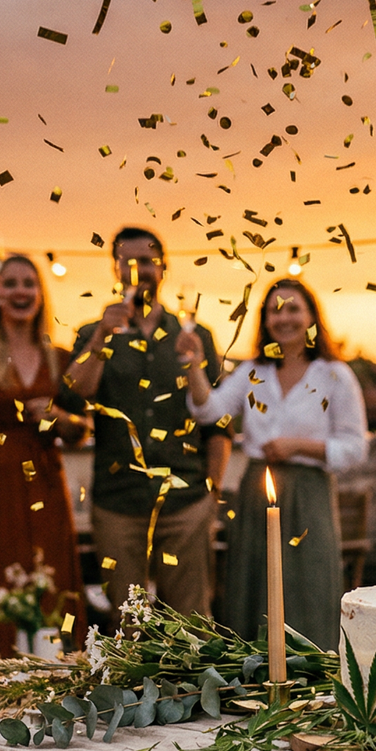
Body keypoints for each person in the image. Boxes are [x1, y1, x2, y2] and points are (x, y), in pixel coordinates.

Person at [183, 278, 368, 650]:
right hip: (256, 494)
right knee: (254, 588)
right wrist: (192, 365)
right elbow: (211, 410)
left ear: (312, 316)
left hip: (310, 497)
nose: (284, 318)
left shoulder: (335, 375)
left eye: (293, 308)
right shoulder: (253, 371)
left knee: (309, 588)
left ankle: (312, 688)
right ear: (265, 320)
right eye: (275, 310)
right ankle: (253, 684)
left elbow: (355, 447)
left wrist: (298, 446)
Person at [59, 228, 228, 621]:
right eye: (128, 261)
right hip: (118, 503)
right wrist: (102, 334)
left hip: (186, 500)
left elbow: (218, 421)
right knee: (127, 626)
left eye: (148, 261)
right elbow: (74, 395)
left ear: (163, 268)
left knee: (192, 624)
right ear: (116, 269)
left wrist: (212, 494)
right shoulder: (92, 333)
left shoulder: (194, 335)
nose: (139, 270)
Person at [0, 253, 89, 661]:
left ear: (41, 295)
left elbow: (82, 429)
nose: (20, 291)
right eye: (10, 283)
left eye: (29, 283)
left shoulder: (57, 356)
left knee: (50, 572)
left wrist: (59, 417)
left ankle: (53, 667)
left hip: (43, 480)